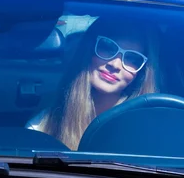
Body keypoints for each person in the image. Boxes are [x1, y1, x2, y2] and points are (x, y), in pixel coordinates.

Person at [26, 17, 160, 150]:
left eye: (132, 58)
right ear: (87, 51)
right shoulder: (43, 126)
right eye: (108, 47)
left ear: (142, 72)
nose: (115, 64)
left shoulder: (149, 131)